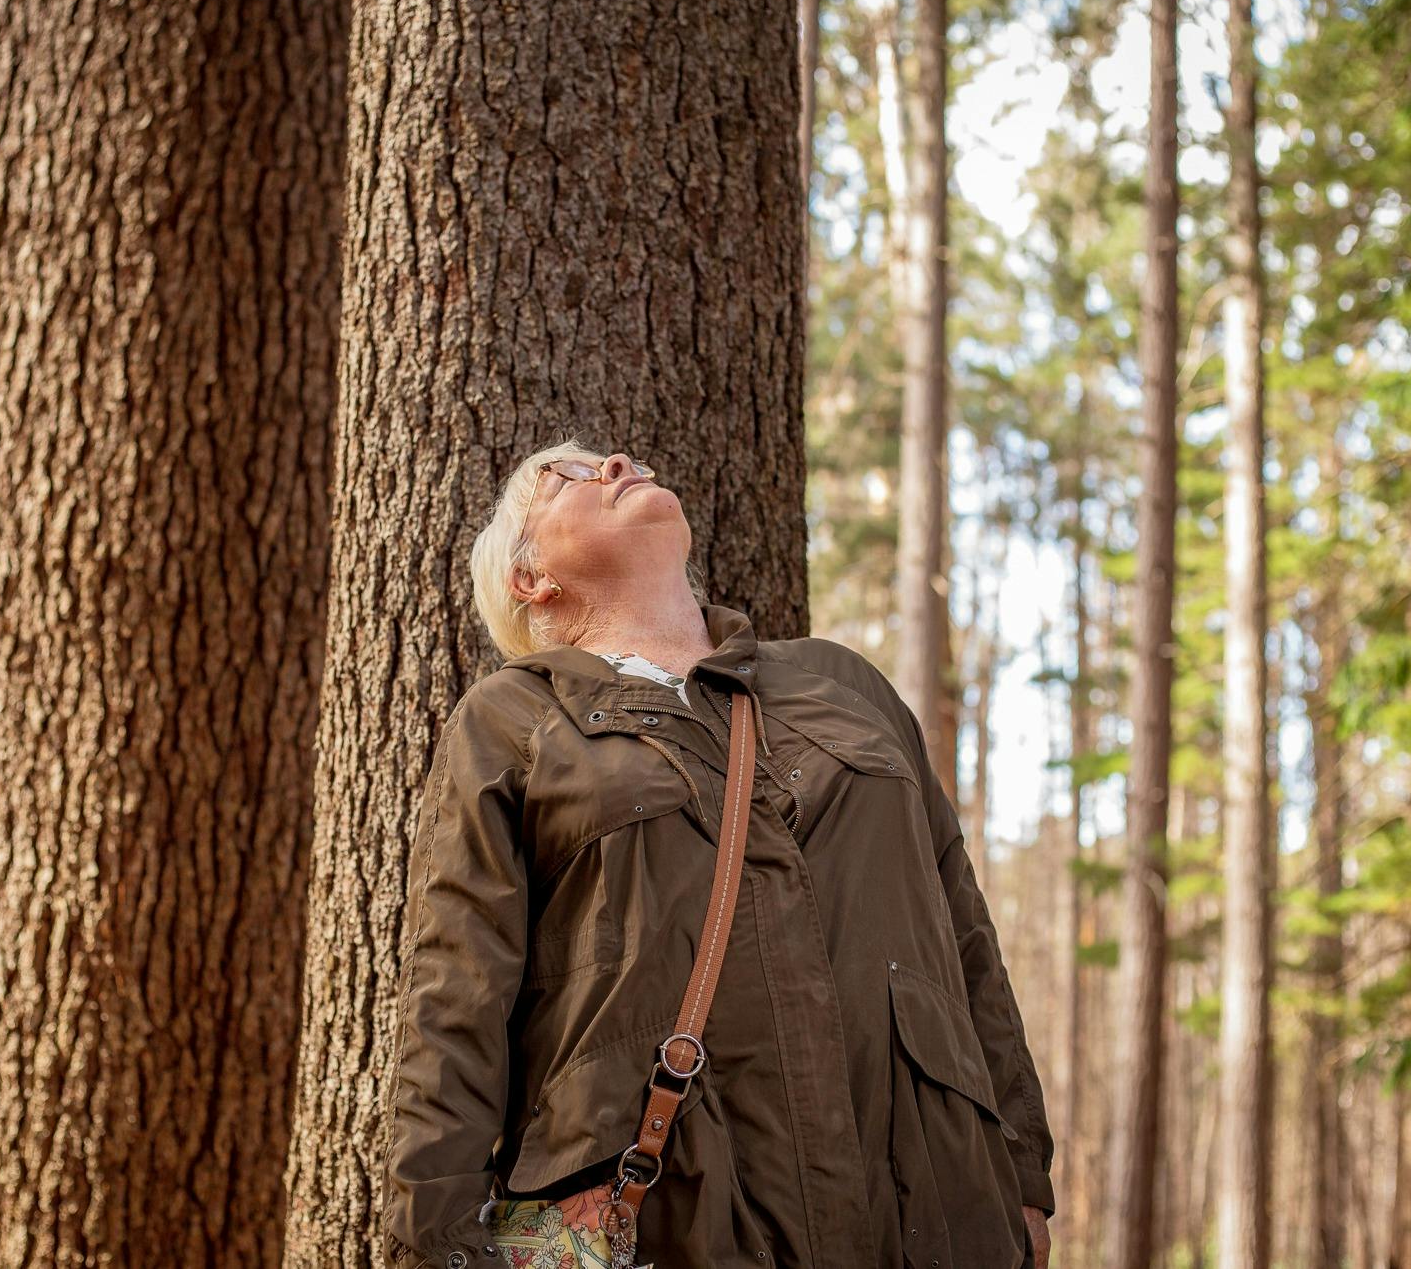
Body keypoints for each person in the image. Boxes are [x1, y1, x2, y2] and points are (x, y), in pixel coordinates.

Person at [379, 439, 1056, 1269]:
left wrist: (1021, 1176)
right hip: (672, 1210)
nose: (619, 464)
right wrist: (440, 1245)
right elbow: (456, 996)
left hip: (933, 1199)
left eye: (614, 460)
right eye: (572, 478)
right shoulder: (515, 719)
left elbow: (964, 939)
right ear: (531, 579)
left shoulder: (842, 683)